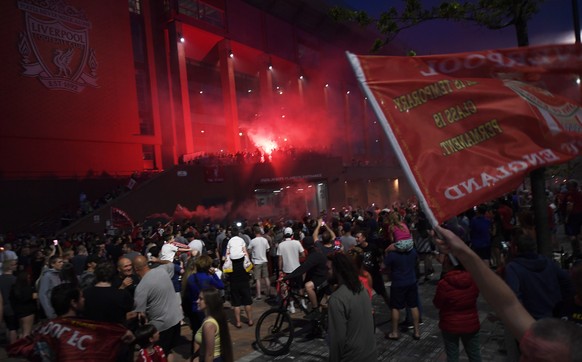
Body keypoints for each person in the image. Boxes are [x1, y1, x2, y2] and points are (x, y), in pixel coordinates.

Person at [434, 225, 582, 361]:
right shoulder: (544, 343)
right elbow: (507, 304)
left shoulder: (553, 347)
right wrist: (461, 251)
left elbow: (510, 302)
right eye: (524, 354)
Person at [8, 283, 134, 361]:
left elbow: (21, 347)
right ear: (73, 303)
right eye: (81, 297)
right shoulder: (81, 330)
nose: (84, 299)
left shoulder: (45, 327)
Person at [327, 252, 377, 361]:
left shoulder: (337, 299)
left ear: (337, 271)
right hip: (370, 353)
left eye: (328, 269)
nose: (327, 272)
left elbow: (337, 339)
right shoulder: (361, 288)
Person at [433, 254, 481, 362]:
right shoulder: (473, 279)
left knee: (452, 355)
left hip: (450, 323)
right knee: (474, 354)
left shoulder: (444, 283)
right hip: (471, 322)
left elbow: (437, 303)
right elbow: (475, 295)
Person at [133, 255, 183, 358]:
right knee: (169, 351)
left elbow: (140, 313)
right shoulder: (162, 270)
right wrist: (158, 260)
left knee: (158, 354)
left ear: (135, 269)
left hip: (161, 327)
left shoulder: (141, 287)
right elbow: (170, 264)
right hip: (176, 319)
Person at [184, 255, 225, 353]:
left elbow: (188, 295)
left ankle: (195, 353)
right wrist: (214, 274)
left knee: (196, 332)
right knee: (208, 332)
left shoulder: (190, 278)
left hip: (194, 308)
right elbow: (221, 285)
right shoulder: (208, 278)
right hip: (206, 307)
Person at [384, 238, 421, 340]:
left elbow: (384, 265)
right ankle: (417, 331)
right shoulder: (412, 251)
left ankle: (395, 332)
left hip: (398, 283)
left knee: (395, 307)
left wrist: (386, 251)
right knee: (413, 305)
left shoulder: (392, 254)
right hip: (411, 281)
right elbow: (416, 261)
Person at [283, 236, 328, 318]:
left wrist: (287, 277)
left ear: (304, 246)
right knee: (306, 288)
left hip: (323, 278)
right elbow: (309, 270)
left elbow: (303, 269)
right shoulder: (315, 252)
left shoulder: (313, 255)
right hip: (321, 276)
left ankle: (315, 310)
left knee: (308, 287)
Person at [194, 287, 234, 362]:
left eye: (201, 299)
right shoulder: (210, 318)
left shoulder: (209, 325)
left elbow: (209, 354)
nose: (197, 301)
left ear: (209, 302)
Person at [9, 270, 37, 338]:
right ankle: (25, 348)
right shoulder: (29, 288)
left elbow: (11, 299)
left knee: (21, 332)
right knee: (27, 333)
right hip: (28, 312)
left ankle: (19, 346)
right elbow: (35, 297)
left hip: (18, 312)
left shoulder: (14, 288)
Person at [38, 255, 64, 319]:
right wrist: (49, 312)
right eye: (59, 262)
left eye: (62, 262)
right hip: (52, 309)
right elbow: (43, 294)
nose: (62, 264)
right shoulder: (47, 276)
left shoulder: (59, 274)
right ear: (53, 264)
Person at [247, 226, 270, 299]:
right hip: (264, 260)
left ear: (254, 232)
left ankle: (259, 295)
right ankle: (268, 292)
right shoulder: (264, 240)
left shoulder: (253, 241)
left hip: (257, 261)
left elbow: (249, 250)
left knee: (257, 279)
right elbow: (267, 249)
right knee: (266, 277)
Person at [0, 258, 18, 343]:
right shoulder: (14, 280)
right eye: (14, 264)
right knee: (13, 329)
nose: (16, 266)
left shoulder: (1, 279)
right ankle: (13, 347)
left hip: (3, 307)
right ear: (10, 267)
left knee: (8, 326)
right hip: (12, 307)